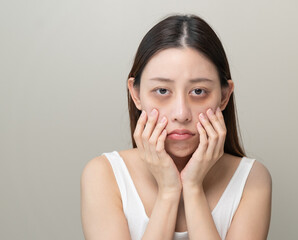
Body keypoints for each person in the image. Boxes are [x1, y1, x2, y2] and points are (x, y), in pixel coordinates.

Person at [81, 14, 272, 240]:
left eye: (198, 91)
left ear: (224, 96)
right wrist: (169, 192)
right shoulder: (104, 175)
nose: (181, 114)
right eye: (162, 91)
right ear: (135, 93)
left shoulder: (251, 179)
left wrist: (192, 188)